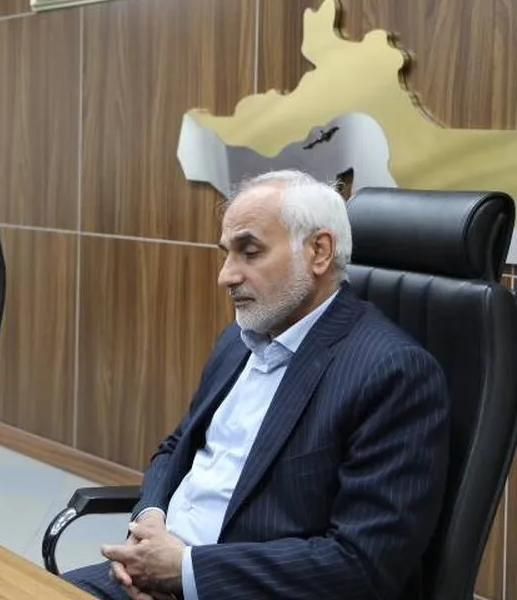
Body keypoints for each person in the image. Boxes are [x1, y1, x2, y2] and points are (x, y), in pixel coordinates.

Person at [64, 170, 450, 600]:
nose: (226, 276)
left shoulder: (394, 374)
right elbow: (177, 447)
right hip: (152, 574)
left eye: (249, 252)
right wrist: (150, 519)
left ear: (319, 251)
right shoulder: (238, 340)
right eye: (226, 254)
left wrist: (185, 571)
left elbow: (361, 563)